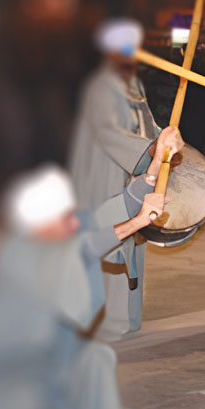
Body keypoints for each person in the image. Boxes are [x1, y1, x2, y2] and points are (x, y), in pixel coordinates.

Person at [0, 145, 175, 409]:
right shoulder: (15, 253)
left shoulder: (64, 231)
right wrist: (139, 222)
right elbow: (91, 244)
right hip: (10, 362)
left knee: (96, 358)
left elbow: (115, 210)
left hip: (53, 353)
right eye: (62, 218)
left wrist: (159, 159)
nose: (72, 222)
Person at [68, 18, 162, 340]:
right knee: (110, 247)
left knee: (132, 247)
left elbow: (147, 126)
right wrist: (150, 151)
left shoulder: (134, 84)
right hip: (105, 178)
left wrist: (165, 139)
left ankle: (127, 317)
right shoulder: (97, 88)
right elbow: (108, 134)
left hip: (132, 178)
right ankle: (101, 321)